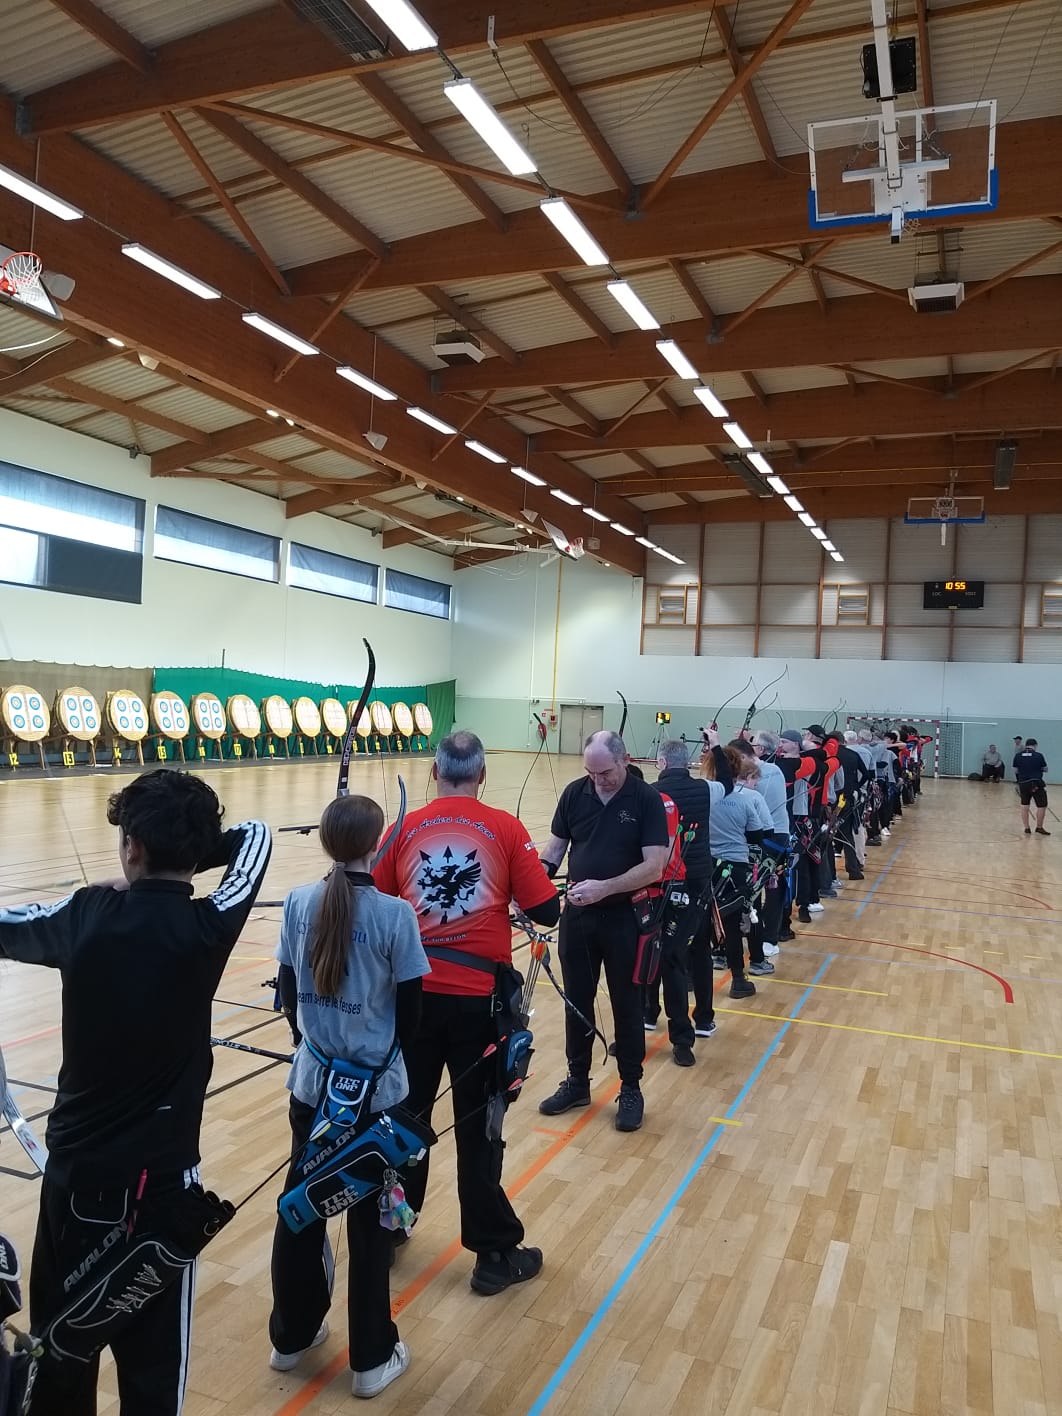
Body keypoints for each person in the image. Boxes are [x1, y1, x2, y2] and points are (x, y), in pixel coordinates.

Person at [0, 769, 271, 1416]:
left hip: (76, 1183)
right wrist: (181, 855)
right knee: (152, 1381)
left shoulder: (84, 915)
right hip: (162, 1191)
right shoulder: (208, 926)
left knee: (59, 1358)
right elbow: (255, 838)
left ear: (131, 847)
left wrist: (133, 877)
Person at [373, 731, 558, 1293]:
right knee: (479, 1128)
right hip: (479, 1006)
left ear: (435, 773)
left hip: (413, 1000)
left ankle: (388, 1229)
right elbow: (546, 910)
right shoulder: (505, 828)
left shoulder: (403, 828)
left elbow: (373, 899)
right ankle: (493, 1255)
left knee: (405, 1118)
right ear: (481, 775)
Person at [269, 794, 428, 1398]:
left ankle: (290, 1338)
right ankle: (370, 1359)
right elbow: (410, 1014)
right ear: (376, 843)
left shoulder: (298, 901)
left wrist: (316, 1043)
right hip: (375, 1096)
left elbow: (288, 991)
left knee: (301, 1207)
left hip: (313, 1086)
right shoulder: (394, 913)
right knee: (369, 1224)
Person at [538, 732, 669, 1133]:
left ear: (625, 760)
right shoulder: (575, 794)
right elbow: (555, 850)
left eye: (606, 772)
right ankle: (577, 1080)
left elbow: (655, 866)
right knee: (576, 1000)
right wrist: (534, 885)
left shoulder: (646, 799)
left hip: (625, 917)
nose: (598, 780)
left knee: (626, 1004)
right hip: (579, 917)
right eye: (591, 773)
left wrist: (605, 888)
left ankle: (630, 1087)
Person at [643, 732, 732, 1064]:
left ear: (661, 763)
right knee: (695, 951)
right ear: (688, 763)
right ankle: (703, 1019)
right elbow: (727, 781)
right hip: (697, 882)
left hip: (660, 883)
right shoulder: (705, 789)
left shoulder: (651, 793)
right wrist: (716, 745)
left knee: (656, 950)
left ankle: (649, 1012)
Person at [704, 745, 775, 997]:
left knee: (701, 919)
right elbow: (757, 836)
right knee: (733, 923)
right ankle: (737, 979)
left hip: (706, 865)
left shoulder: (704, 794)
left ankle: (692, 977)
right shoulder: (745, 800)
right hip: (735, 866)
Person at [1013, 739, 1051, 836]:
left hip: (1023, 784)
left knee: (1024, 805)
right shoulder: (1039, 755)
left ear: (1026, 745)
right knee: (1042, 806)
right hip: (1036, 783)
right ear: (1035, 745)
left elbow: (1015, 770)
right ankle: (1039, 827)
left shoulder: (1018, 756)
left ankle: (1027, 828)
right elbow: (1045, 769)